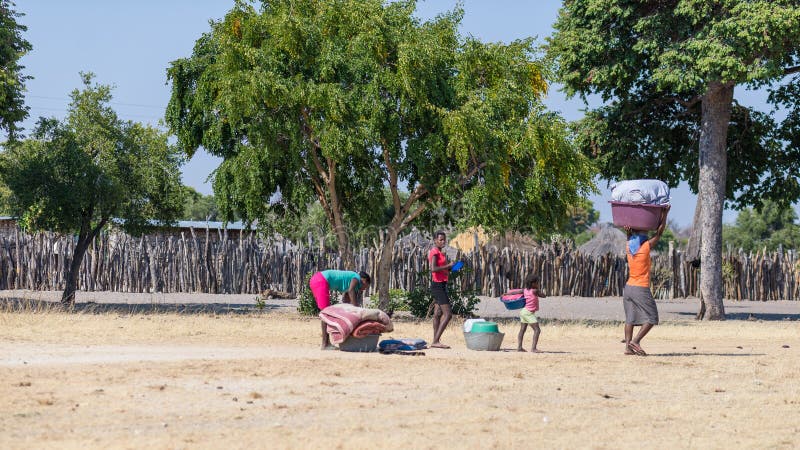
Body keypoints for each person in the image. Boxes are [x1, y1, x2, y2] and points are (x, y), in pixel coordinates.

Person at [622, 204, 670, 356]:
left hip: (628, 288)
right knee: (652, 317)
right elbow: (660, 232)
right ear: (643, 239)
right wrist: (664, 213)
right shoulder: (645, 248)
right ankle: (635, 341)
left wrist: (628, 233)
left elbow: (631, 238)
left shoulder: (629, 247)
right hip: (640, 288)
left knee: (630, 318)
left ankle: (628, 348)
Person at [309, 269, 371, 350]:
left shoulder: (349, 282)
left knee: (325, 313)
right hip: (321, 280)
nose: (364, 289)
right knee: (325, 313)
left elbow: (346, 301)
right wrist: (357, 310)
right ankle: (325, 344)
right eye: (366, 286)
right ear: (364, 280)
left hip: (317, 279)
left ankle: (327, 343)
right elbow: (351, 291)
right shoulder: (356, 278)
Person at [429, 230, 456, 349]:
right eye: (440, 239)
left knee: (437, 314)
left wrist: (451, 268)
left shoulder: (440, 253)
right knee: (448, 314)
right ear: (435, 240)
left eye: (444, 239)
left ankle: (436, 340)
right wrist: (448, 266)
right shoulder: (434, 251)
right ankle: (435, 341)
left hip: (441, 284)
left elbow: (441, 269)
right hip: (438, 286)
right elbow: (433, 269)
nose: (443, 241)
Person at [518, 274, 546, 352]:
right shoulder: (535, 291)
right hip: (528, 313)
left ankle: (519, 347)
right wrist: (539, 289)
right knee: (537, 330)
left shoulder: (525, 290)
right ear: (533, 283)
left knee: (522, 330)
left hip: (523, 311)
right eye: (537, 282)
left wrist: (507, 294)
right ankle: (533, 348)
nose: (538, 284)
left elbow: (516, 291)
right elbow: (544, 296)